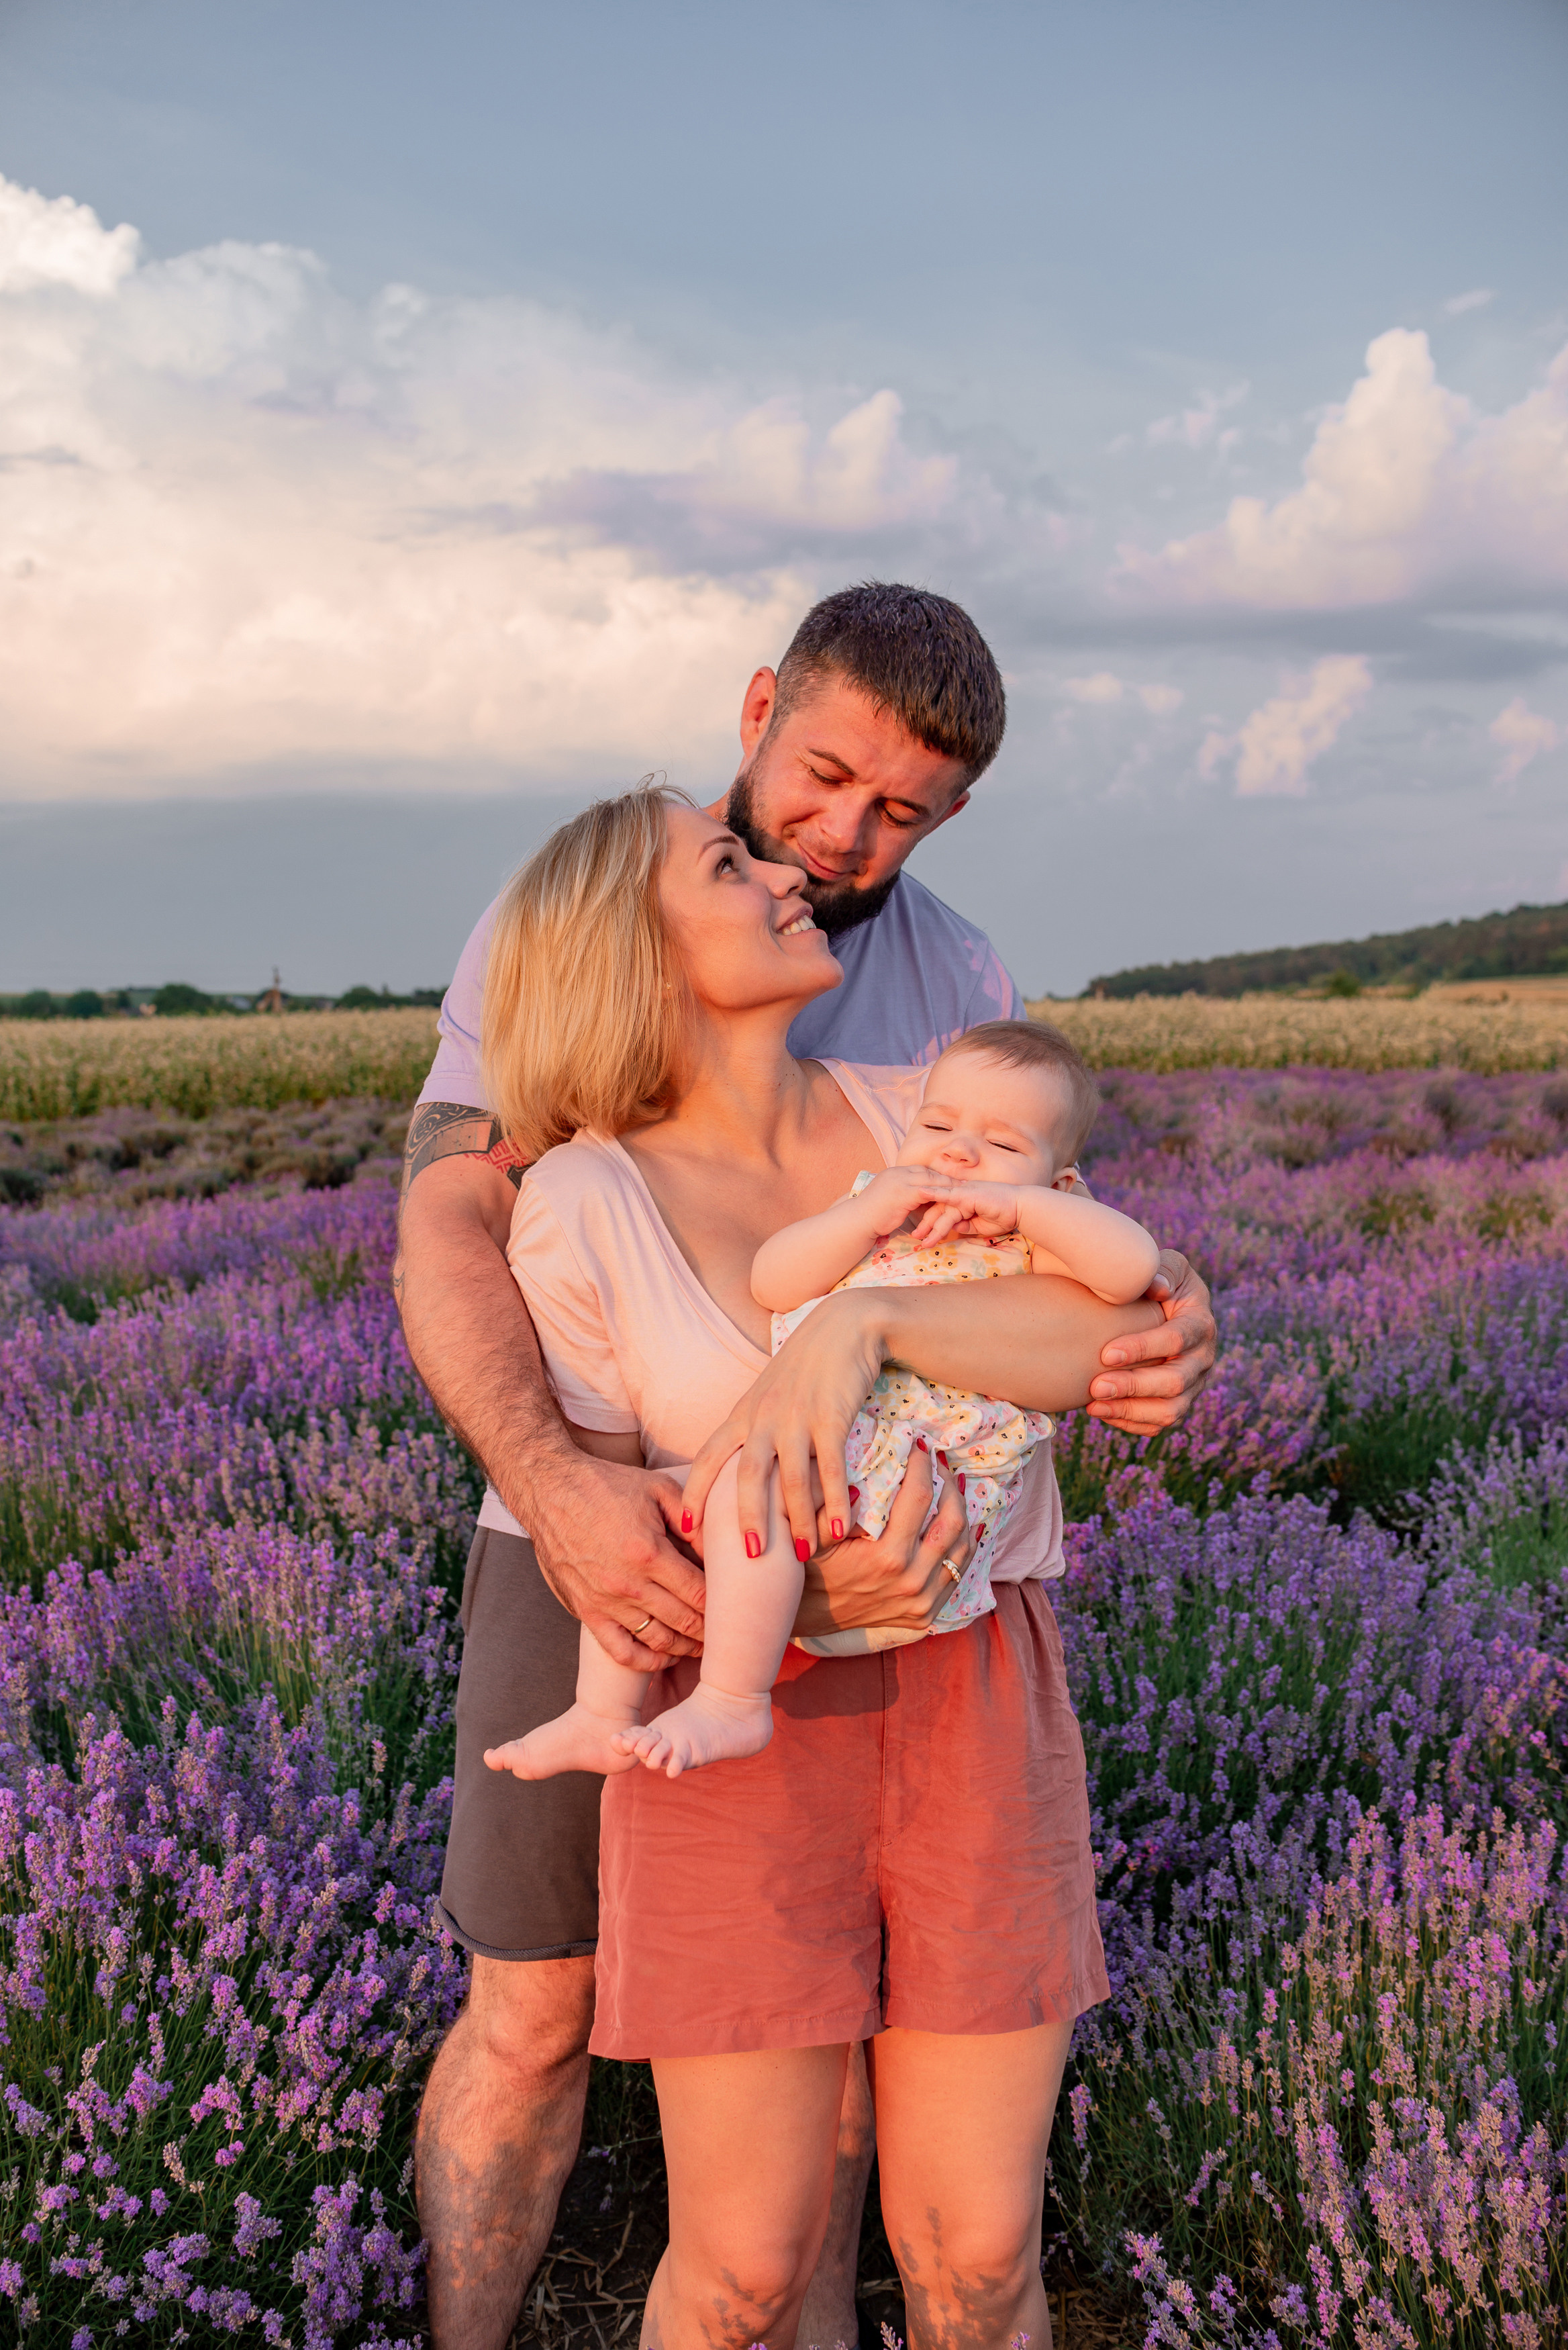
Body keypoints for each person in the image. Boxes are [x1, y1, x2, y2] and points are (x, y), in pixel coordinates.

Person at [396, 583, 1217, 2350]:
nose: (834, 845)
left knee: (869, 2129)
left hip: (919, 1628)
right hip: (602, 1513)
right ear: (761, 704)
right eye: (821, 778)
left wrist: (1144, 1313)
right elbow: (454, 1218)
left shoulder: (948, 983)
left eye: (897, 811)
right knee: (533, 2003)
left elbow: (1042, 1244)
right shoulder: (600, 913)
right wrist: (563, 1491)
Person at [483, 1013, 1159, 1784]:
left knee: (741, 1495)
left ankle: (734, 1697)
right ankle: (601, 1713)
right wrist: (862, 1215)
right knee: (655, 1521)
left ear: (1059, 1178)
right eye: (936, 1124)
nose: (959, 1151)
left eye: (1003, 1145)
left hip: (910, 1491)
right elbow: (774, 1281)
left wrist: (1029, 1210)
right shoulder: (878, 1213)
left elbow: (1129, 1268)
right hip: (823, 1452)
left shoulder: (1031, 1238)